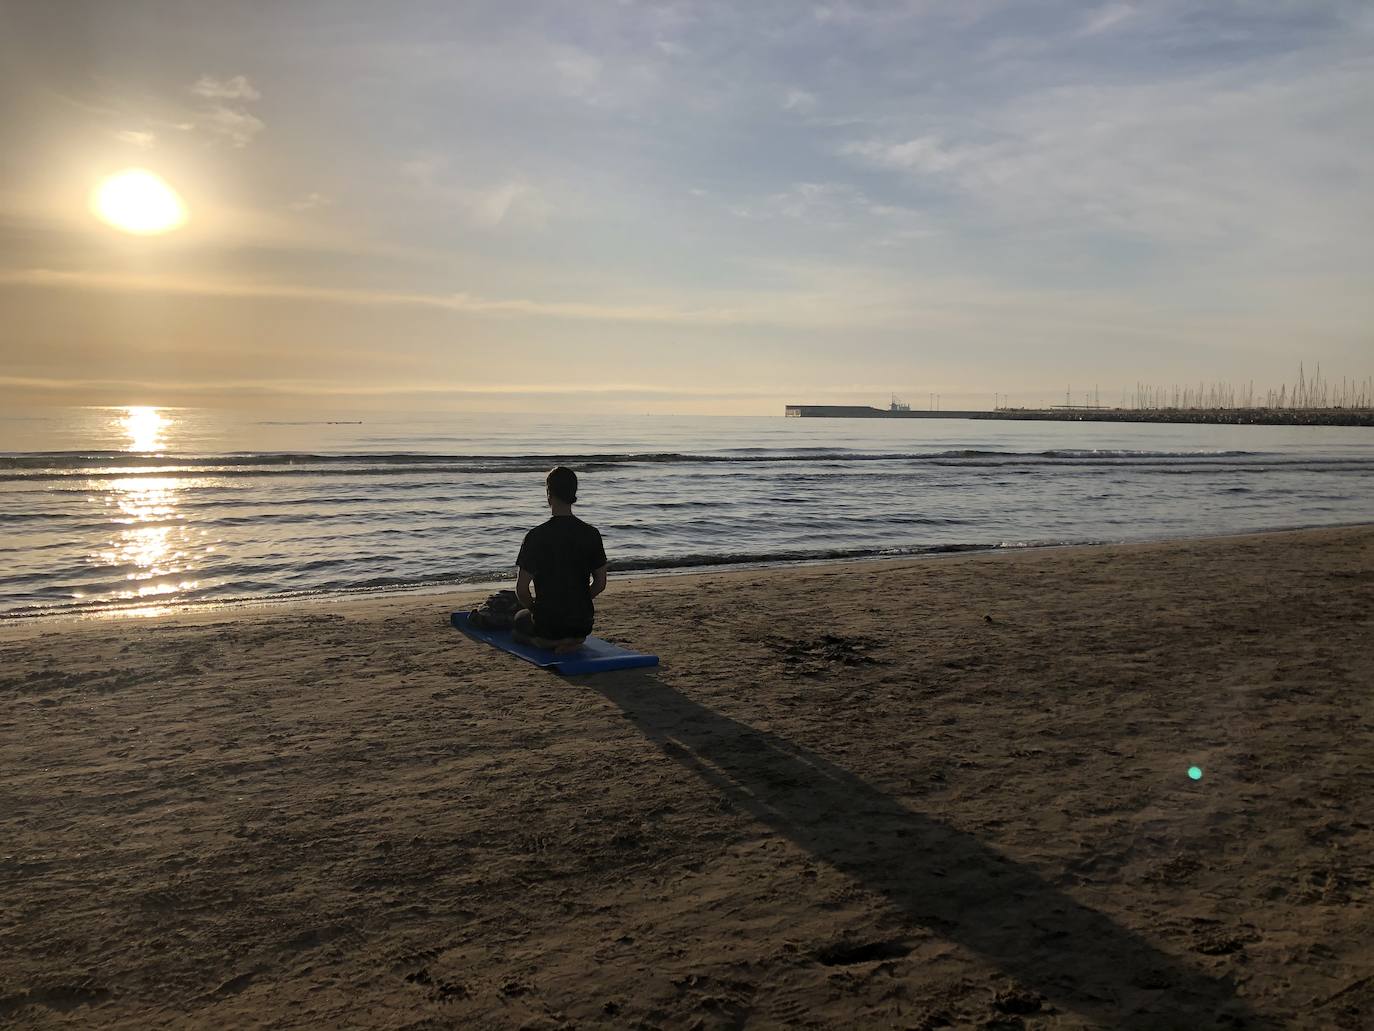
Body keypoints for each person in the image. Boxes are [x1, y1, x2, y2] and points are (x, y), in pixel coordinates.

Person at [512, 466, 607, 652]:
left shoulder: (535, 536)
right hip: (582, 624)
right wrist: (579, 600)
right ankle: (573, 641)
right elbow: (600, 583)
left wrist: (534, 608)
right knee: (568, 624)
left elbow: (521, 589)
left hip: (549, 624)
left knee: (519, 621)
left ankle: (548, 643)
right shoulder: (591, 534)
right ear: (573, 493)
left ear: (549, 494)